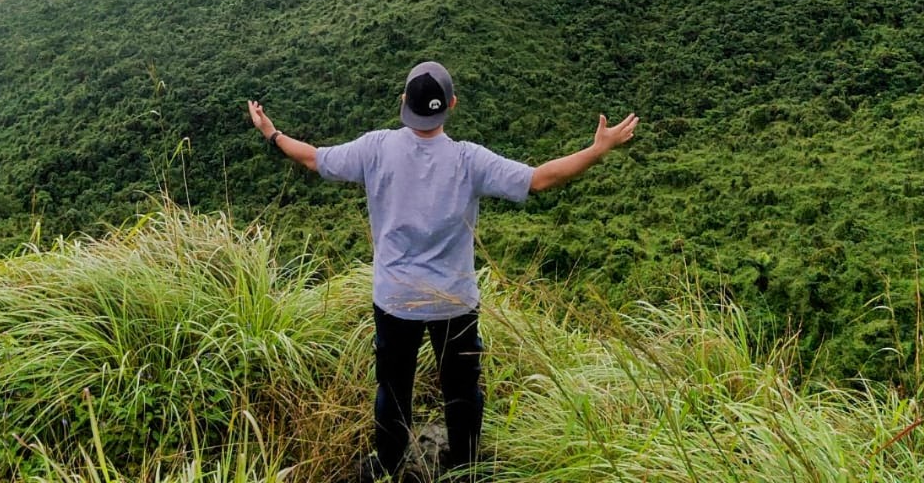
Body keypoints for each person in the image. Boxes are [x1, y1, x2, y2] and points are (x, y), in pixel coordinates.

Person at [246, 60, 639, 480]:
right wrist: (598, 149)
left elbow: (313, 159)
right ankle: (465, 466)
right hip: (455, 301)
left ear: (403, 103)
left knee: (393, 386)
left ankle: (389, 463)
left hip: (395, 300)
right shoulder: (469, 159)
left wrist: (272, 133)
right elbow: (539, 180)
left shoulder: (375, 148)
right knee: (462, 388)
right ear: (451, 104)